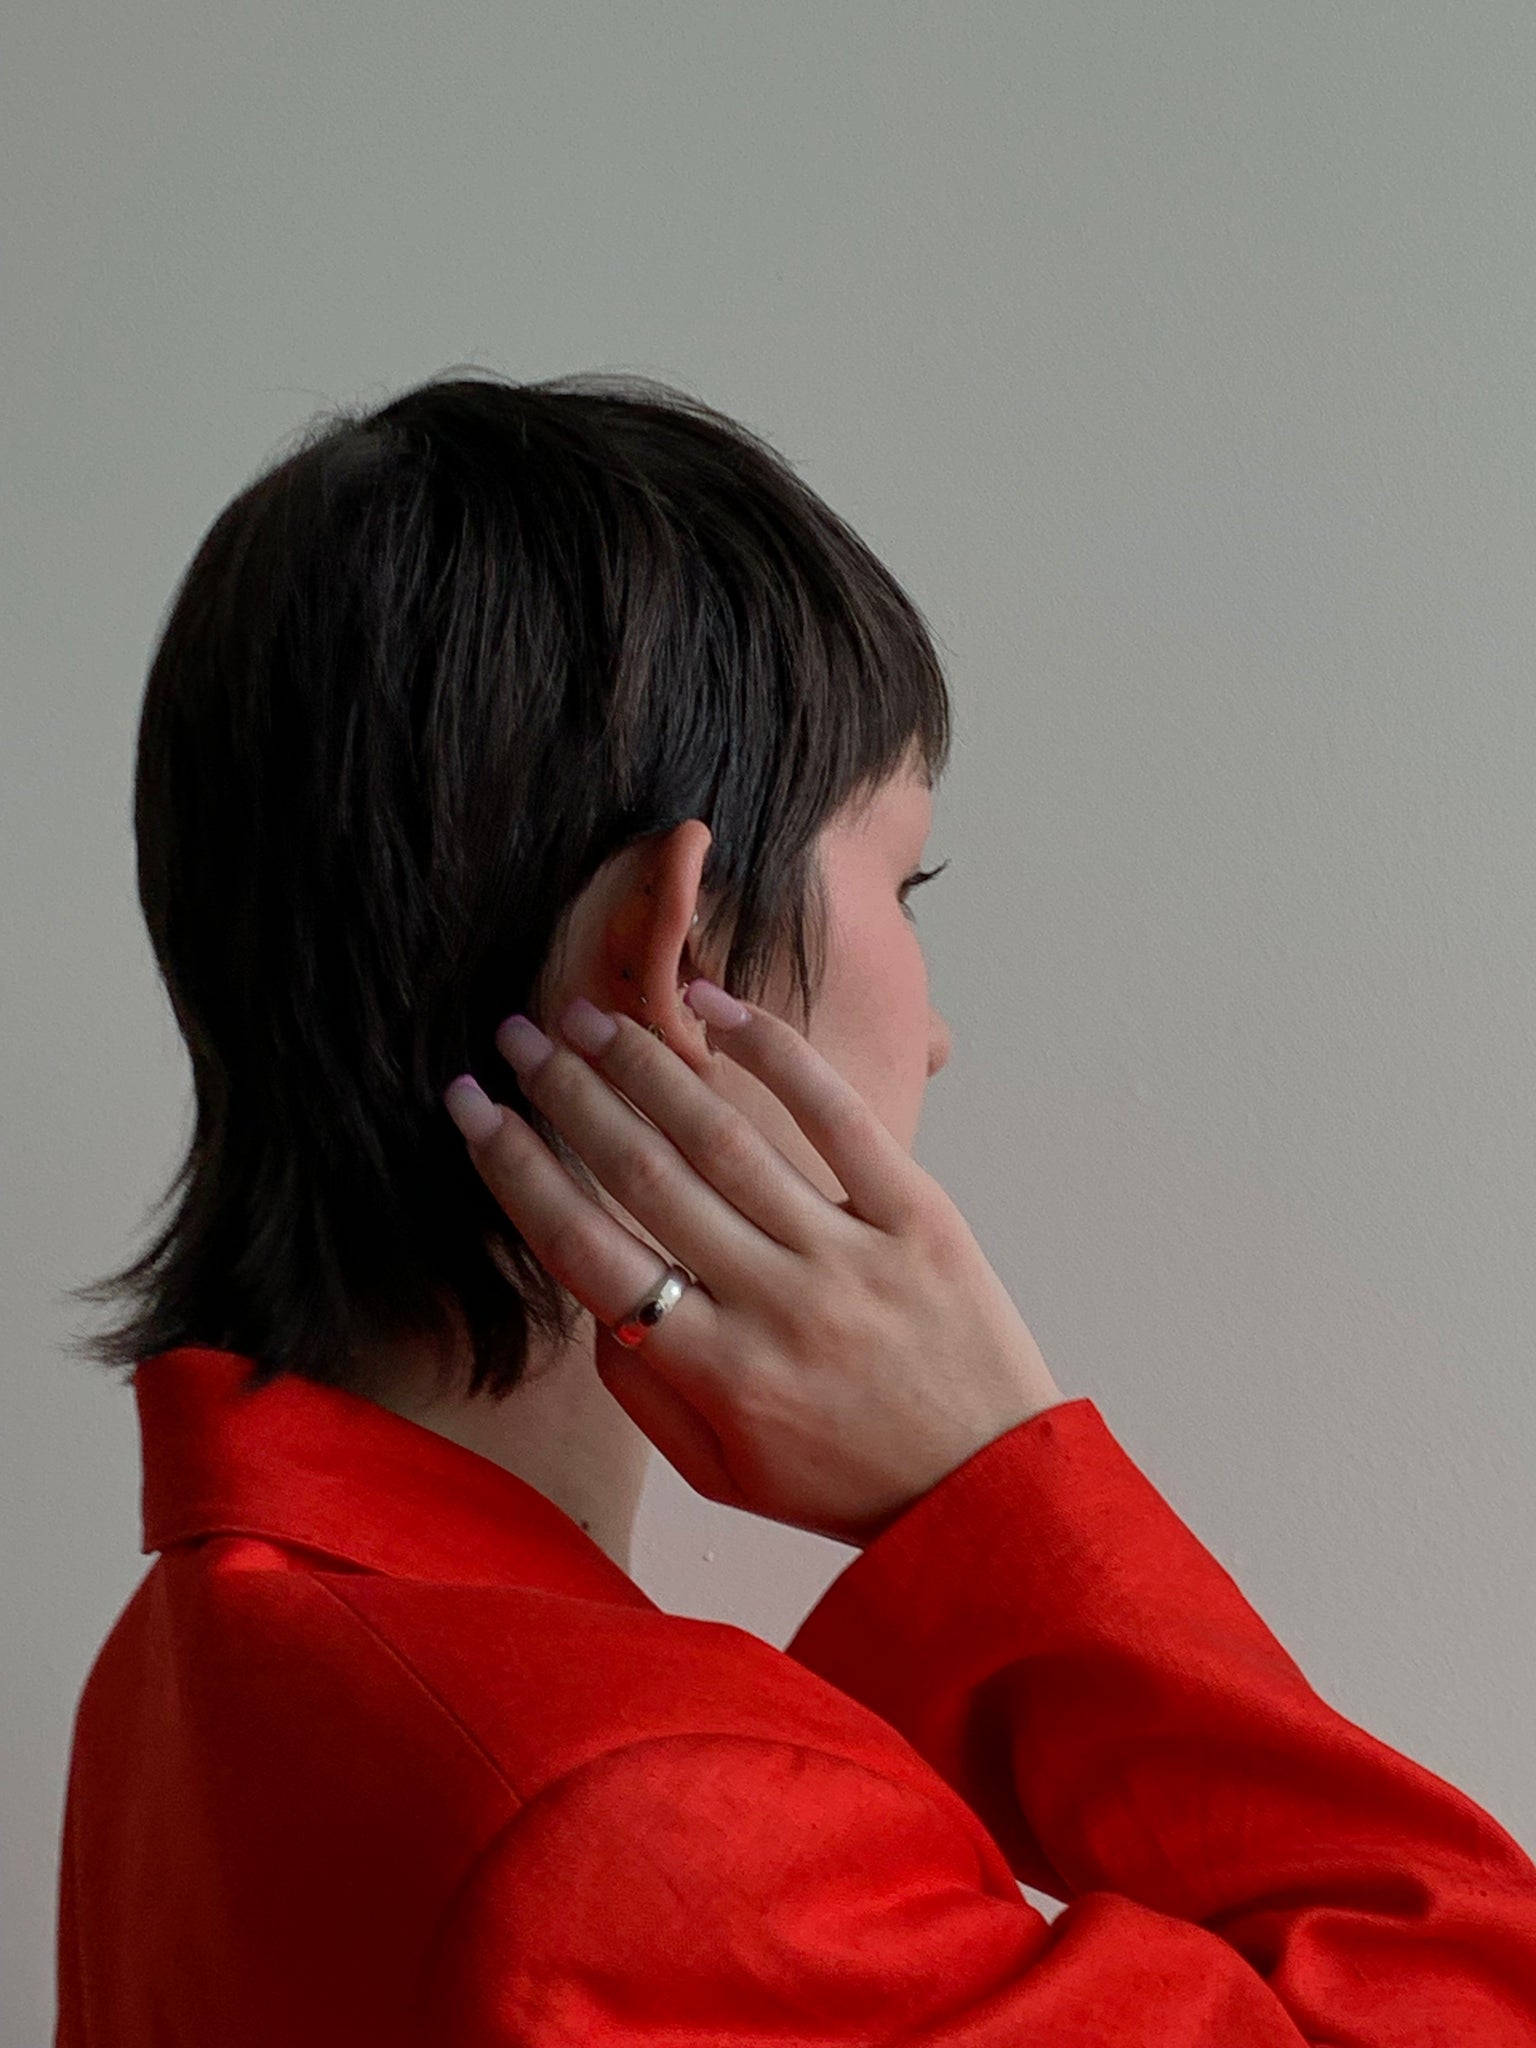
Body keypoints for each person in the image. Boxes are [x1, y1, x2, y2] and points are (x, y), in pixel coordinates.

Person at [57, 370, 1536, 2045]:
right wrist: (996, 1493)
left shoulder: (200, 1658)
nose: (944, 1028)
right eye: (906, 883)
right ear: (668, 955)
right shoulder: (640, 1836)